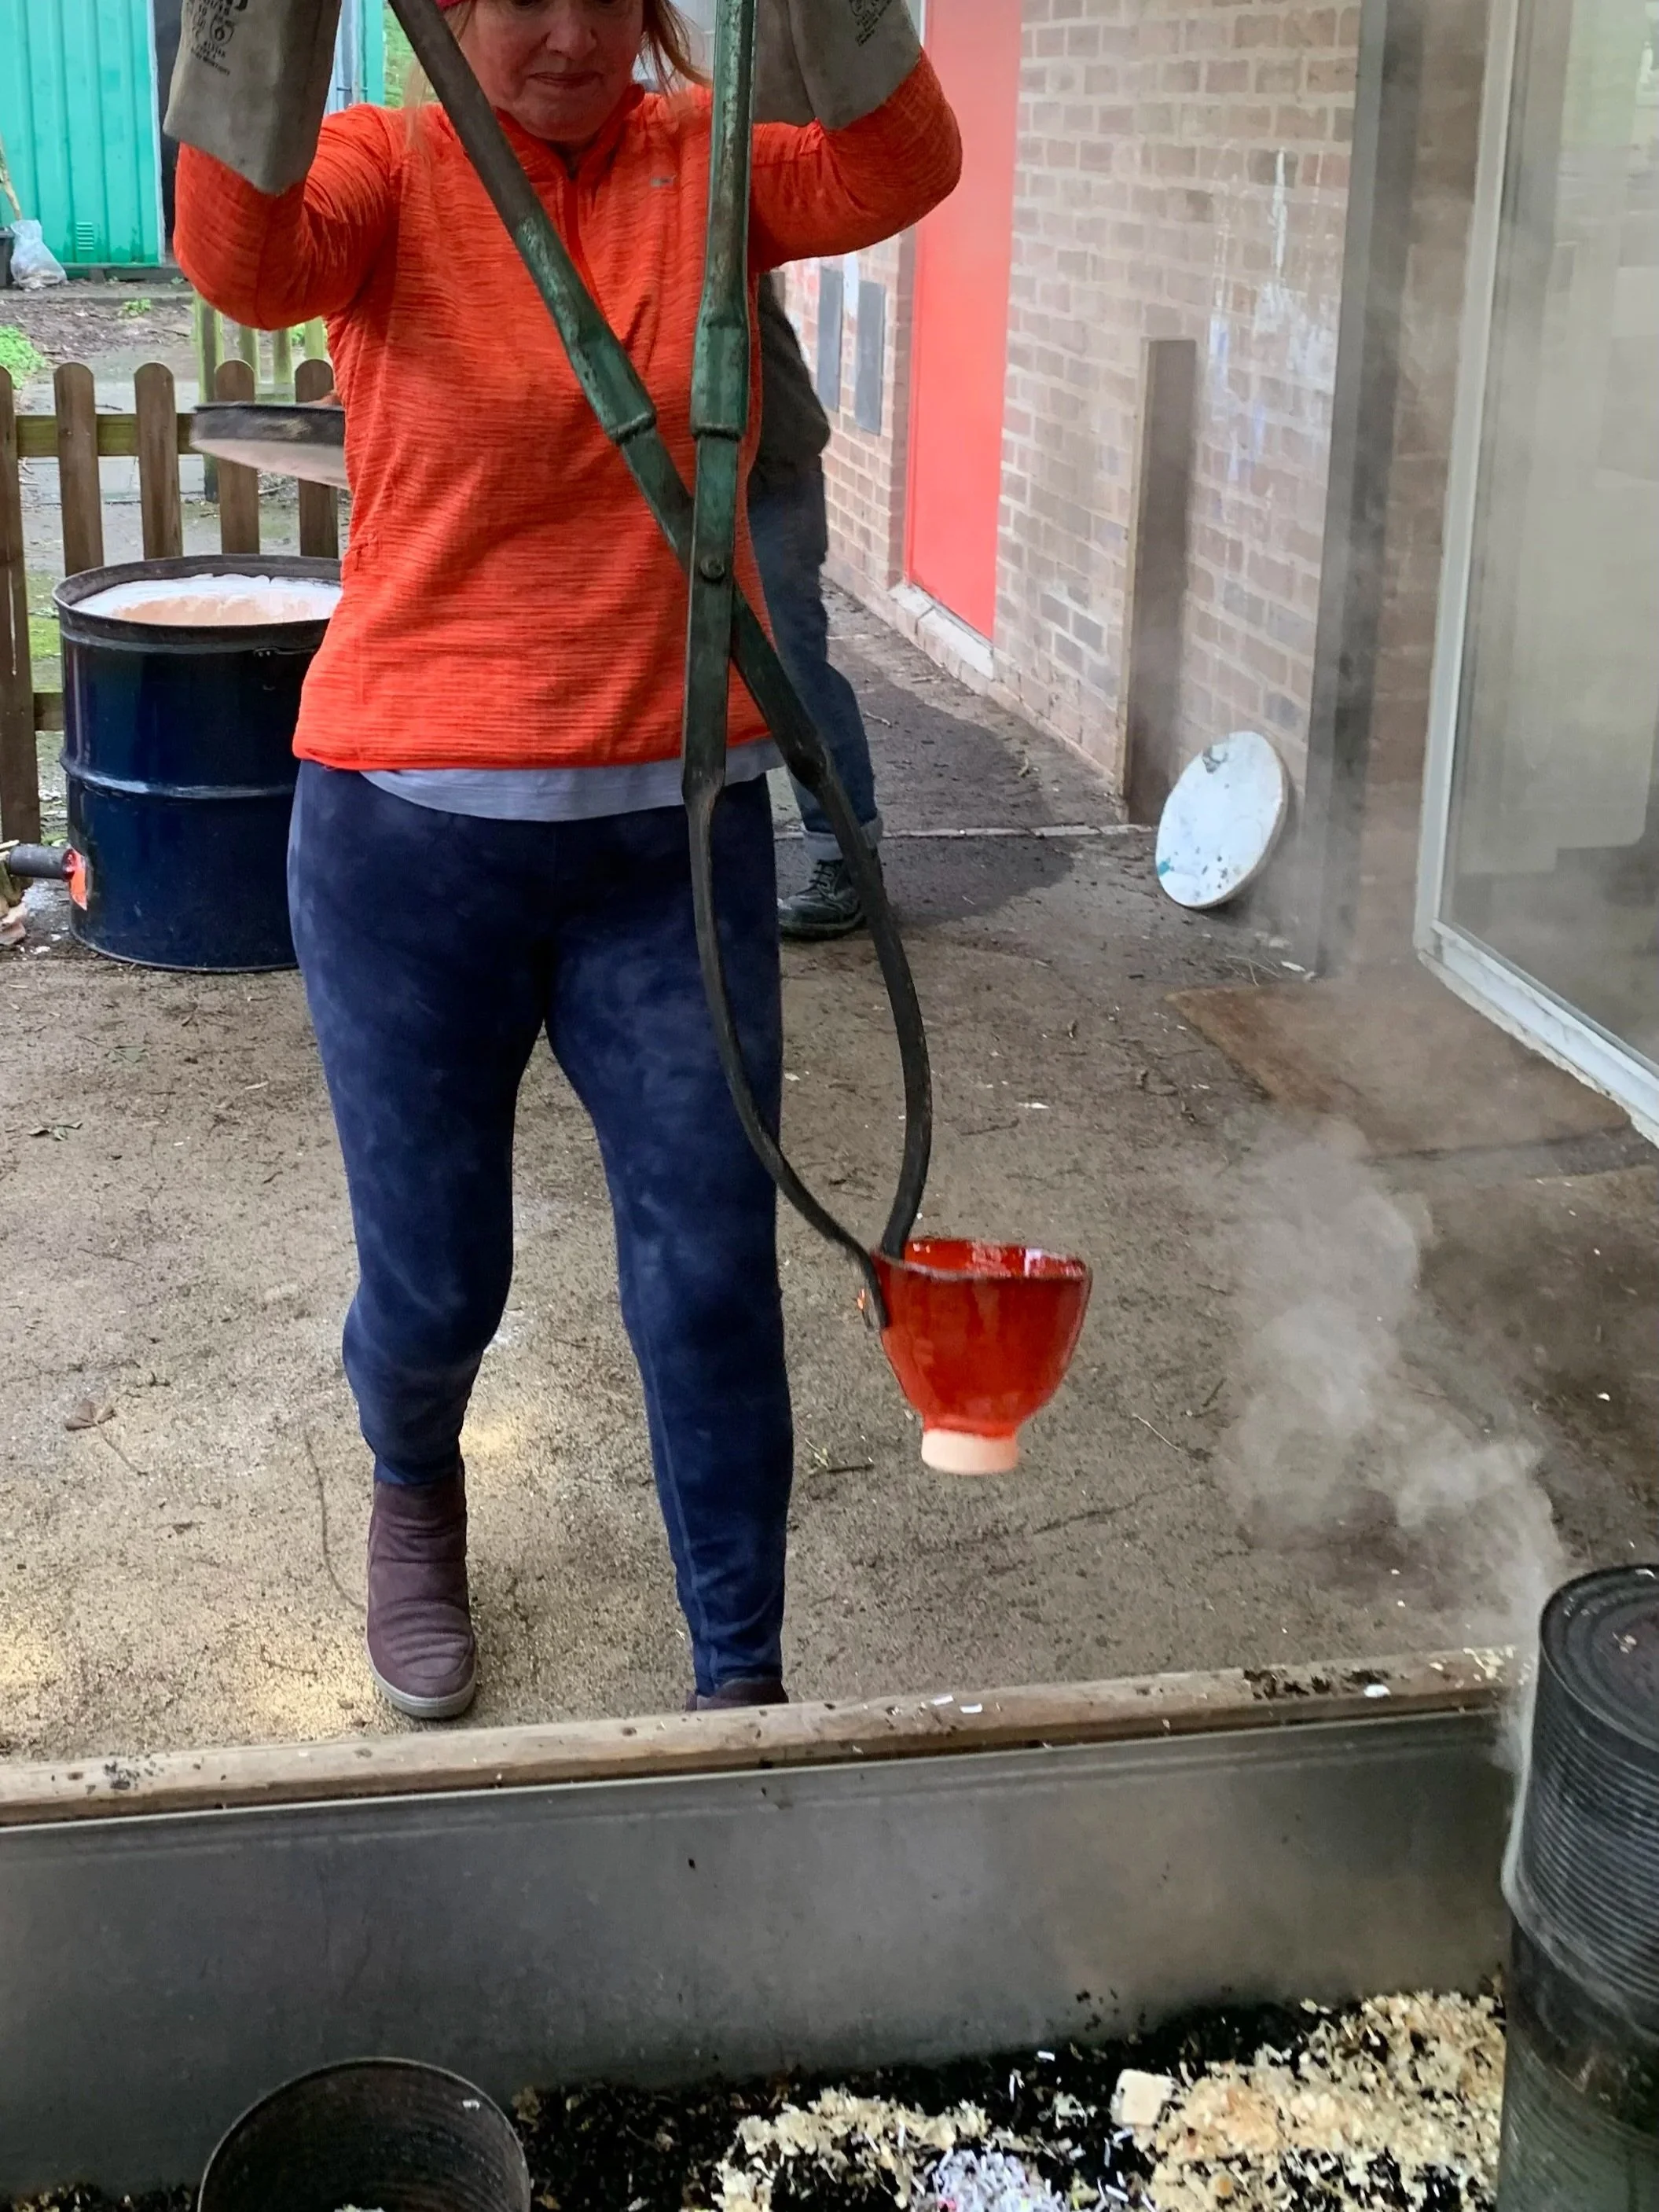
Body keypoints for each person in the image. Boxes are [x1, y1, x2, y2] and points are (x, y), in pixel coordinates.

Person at [169, 0, 960, 1722]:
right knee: (441, 1272)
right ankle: (413, 1482)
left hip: (667, 840)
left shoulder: (708, 155)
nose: (572, 30)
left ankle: (734, 1691)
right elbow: (236, 256)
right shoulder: (389, 158)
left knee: (706, 1270)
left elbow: (903, 159)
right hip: (402, 847)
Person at [749, 275, 883, 940]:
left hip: (765, 479)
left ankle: (847, 860)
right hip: (671, 482)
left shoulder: (703, 208)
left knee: (790, 671)